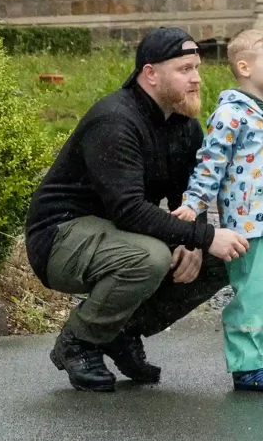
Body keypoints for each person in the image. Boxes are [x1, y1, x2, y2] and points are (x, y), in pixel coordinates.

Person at [25, 25, 250, 392]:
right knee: (150, 257)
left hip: (117, 235)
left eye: (197, 68)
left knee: (226, 256)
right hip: (60, 238)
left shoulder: (182, 125)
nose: (196, 79)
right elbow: (129, 209)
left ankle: (120, 330)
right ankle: (79, 341)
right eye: (184, 70)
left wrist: (194, 242)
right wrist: (204, 236)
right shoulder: (116, 121)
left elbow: (189, 199)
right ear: (150, 74)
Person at [176, 26, 263, 394]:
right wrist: (193, 203)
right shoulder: (230, 114)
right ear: (245, 67)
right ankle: (247, 364)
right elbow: (210, 164)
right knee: (252, 294)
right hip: (249, 223)